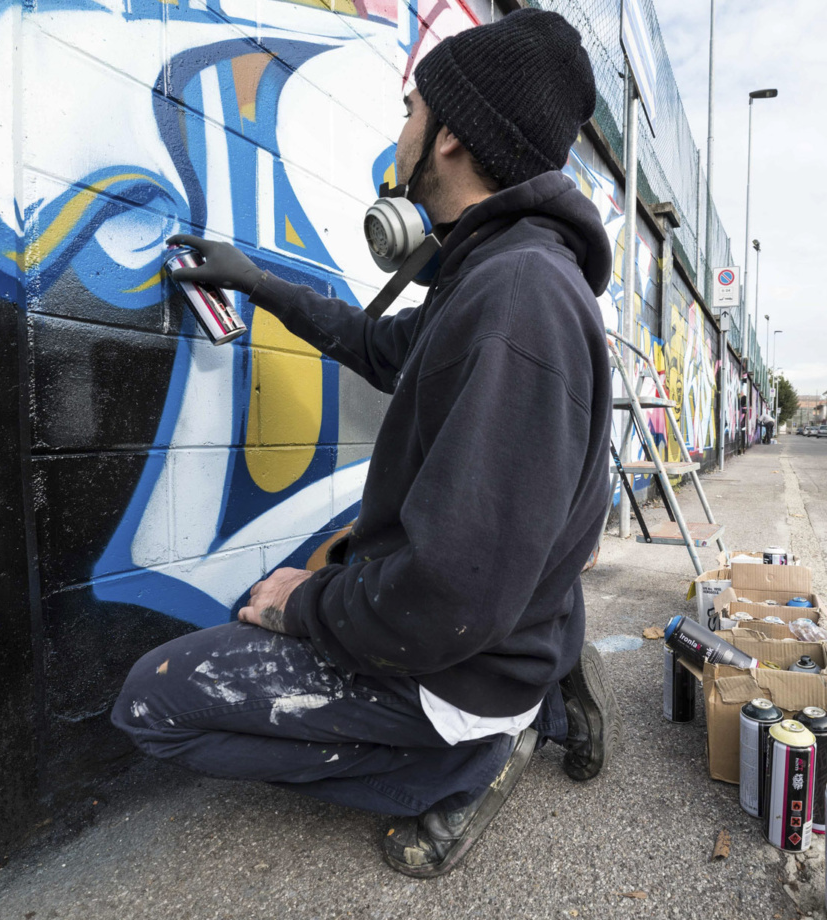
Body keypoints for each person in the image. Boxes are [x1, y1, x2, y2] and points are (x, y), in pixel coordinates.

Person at [110, 9, 620, 879]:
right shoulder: (499, 273)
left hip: (463, 665)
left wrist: (302, 605)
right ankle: (521, 701)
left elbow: (451, 594)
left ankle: (464, 760)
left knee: (152, 705)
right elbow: (382, 347)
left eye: (412, 109)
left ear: (450, 135)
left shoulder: (515, 300)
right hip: (503, 635)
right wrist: (260, 283)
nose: (402, 128)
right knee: (324, 568)